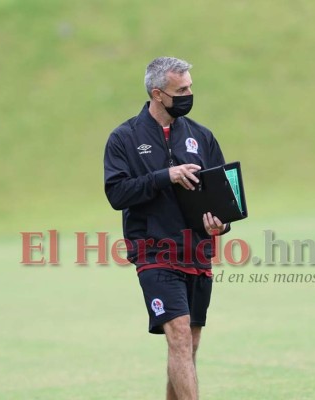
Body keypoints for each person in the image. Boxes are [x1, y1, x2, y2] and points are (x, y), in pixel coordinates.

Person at [104, 57, 232, 400]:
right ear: (158, 94)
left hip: (197, 251)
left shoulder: (201, 136)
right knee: (177, 335)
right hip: (154, 253)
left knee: (188, 345)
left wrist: (221, 223)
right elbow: (116, 193)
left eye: (190, 86)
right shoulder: (124, 138)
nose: (190, 94)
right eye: (182, 90)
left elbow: (221, 196)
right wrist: (166, 176)